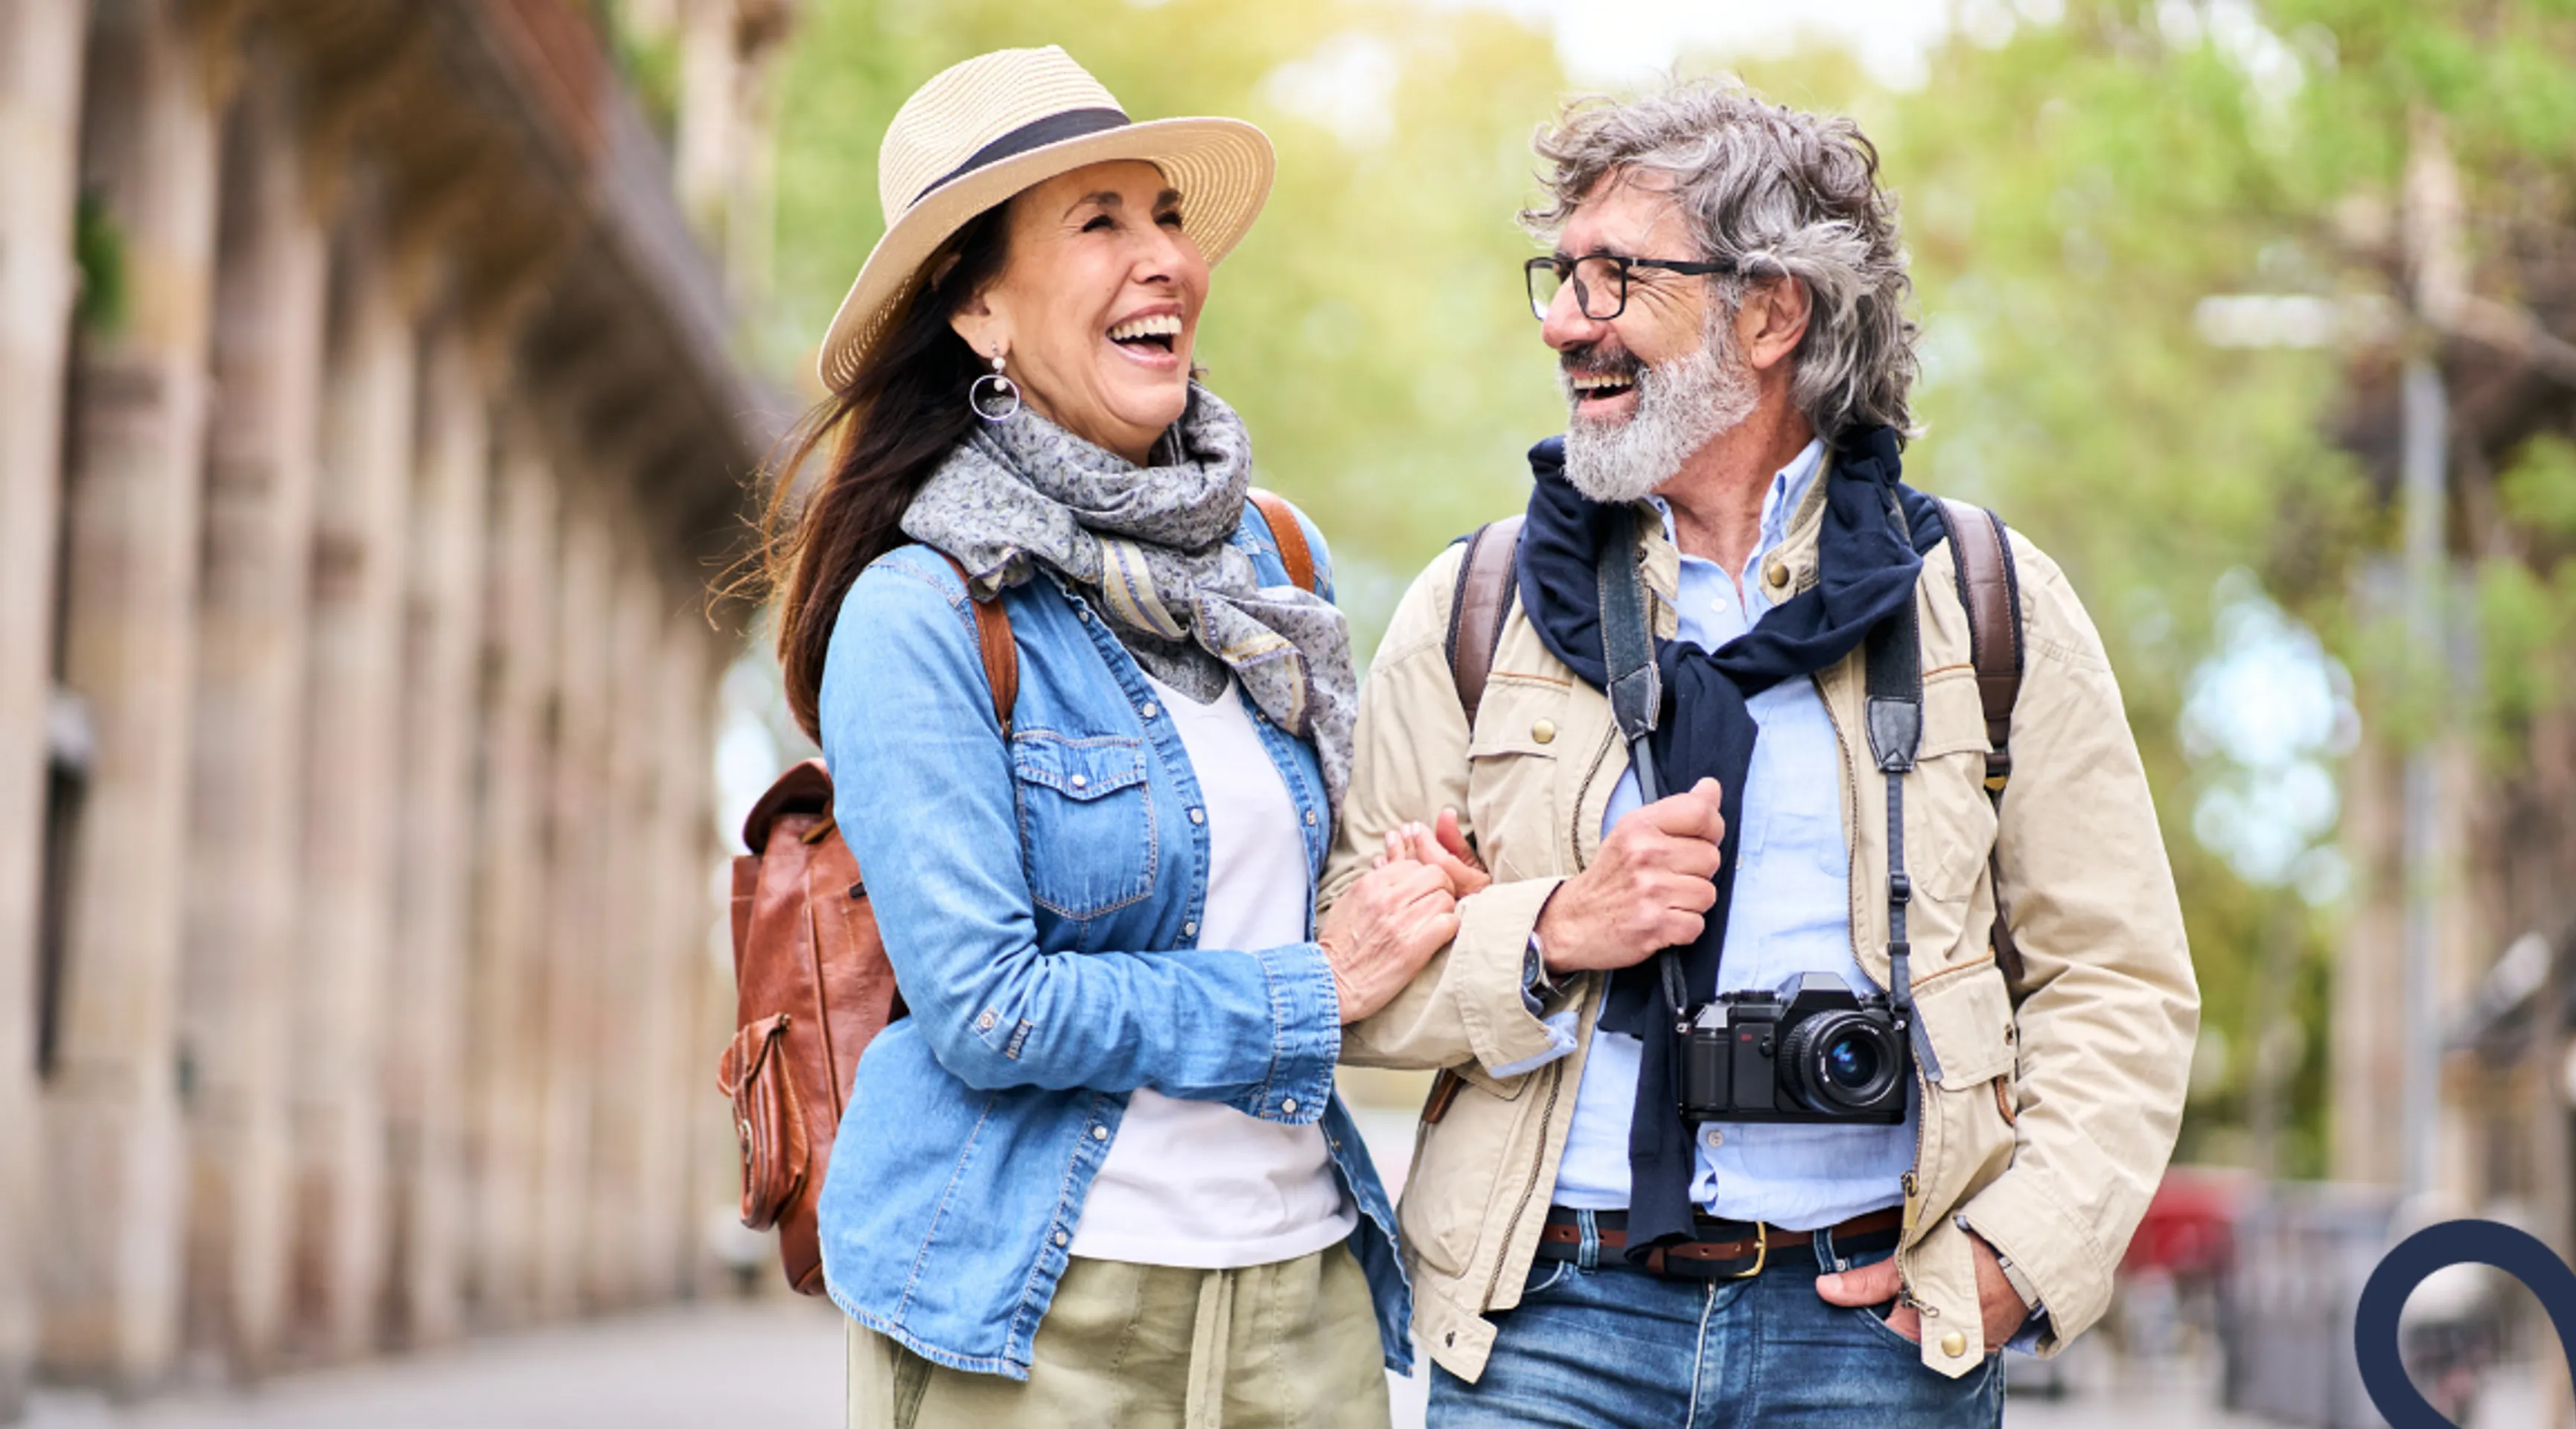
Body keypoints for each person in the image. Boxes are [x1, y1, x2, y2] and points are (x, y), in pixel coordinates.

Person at [1322, 80, 2200, 1425]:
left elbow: (2119, 980)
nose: (1566, 320)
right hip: (1545, 1324)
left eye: (1617, 277)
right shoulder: (1476, 607)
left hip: (1879, 1334)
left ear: (1772, 312)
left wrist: (2022, 1257)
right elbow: (1346, 973)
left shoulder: (1982, 597)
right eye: (1559, 277)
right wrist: (1555, 930)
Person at [758, 47, 1444, 1429]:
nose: (1164, 261)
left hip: (1299, 1304)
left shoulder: (1275, 563)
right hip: (1033, 1318)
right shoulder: (923, 611)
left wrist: (1426, 892)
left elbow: (1314, 888)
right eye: (1099, 223)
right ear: (978, 305)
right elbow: (992, 1005)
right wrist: (1313, 987)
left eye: (1168, 216)